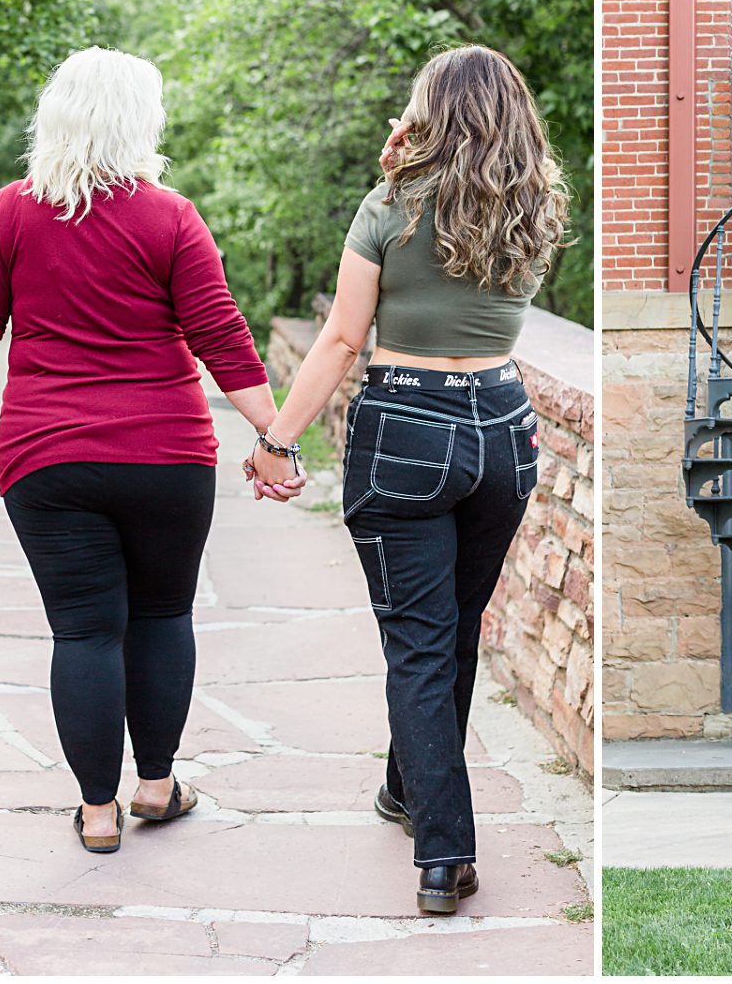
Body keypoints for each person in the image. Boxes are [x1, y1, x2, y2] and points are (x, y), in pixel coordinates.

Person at [0, 47, 289, 854]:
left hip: (48, 458)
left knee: (83, 632)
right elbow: (220, 332)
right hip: (167, 454)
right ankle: (156, 785)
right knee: (161, 614)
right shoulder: (171, 215)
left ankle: (96, 812)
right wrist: (273, 436)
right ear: (139, 122)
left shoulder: (12, 212)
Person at [252, 44, 568, 914]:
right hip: (502, 428)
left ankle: (445, 853)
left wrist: (278, 439)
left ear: (427, 112)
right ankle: (408, 787)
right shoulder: (535, 206)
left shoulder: (390, 203)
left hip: (406, 425)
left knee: (420, 641)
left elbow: (342, 337)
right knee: (453, 627)